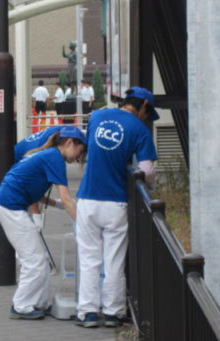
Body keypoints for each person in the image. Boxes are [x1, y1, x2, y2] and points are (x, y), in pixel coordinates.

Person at [75, 87, 158, 328]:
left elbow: (93, 150)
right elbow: (148, 171)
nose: (146, 118)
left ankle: (87, 313)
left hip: (88, 199)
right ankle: (113, 313)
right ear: (143, 105)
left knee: (89, 259)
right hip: (116, 201)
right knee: (114, 259)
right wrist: (149, 185)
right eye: (147, 112)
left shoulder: (98, 117)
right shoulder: (140, 130)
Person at [0, 127, 87, 320]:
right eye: (80, 151)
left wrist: (56, 205)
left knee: (40, 259)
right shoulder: (55, 159)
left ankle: (39, 303)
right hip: (11, 207)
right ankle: (21, 306)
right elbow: (67, 197)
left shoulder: (48, 154)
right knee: (34, 260)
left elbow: (31, 186)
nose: (80, 157)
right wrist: (85, 226)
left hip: (10, 203)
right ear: (70, 143)